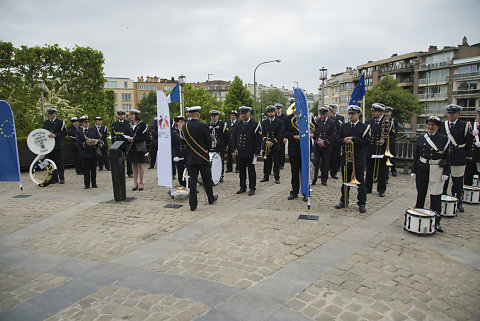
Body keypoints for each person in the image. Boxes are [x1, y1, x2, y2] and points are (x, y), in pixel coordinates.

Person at [411, 116, 450, 232]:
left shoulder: (444, 139)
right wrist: (414, 170)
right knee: (421, 193)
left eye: (433, 125)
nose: (430, 127)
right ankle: (418, 215)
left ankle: (436, 220)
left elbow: (447, 157)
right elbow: (416, 155)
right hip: (422, 167)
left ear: (437, 127)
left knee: (435, 195)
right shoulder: (422, 138)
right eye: (428, 124)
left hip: (436, 168)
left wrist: (446, 172)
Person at [180, 106, 218, 211]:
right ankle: (210, 198)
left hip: (191, 158)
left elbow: (184, 142)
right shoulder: (203, 125)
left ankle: (193, 204)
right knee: (206, 179)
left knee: (192, 181)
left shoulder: (184, 127)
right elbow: (209, 142)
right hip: (202, 157)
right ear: (198, 115)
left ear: (190, 115)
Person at [335, 105, 371, 213]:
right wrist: (344, 140)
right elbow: (338, 140)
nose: (351, 116)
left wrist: (353, 139)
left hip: (358, 159)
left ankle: (362, 203)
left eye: (353, 114)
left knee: (360, 182)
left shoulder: (364, 127)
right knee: (345, 181)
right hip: (346, 158)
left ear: (358, 115)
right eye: (350, 114)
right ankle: (344, 200)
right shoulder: (344, 126)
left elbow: (366, 142)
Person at [438, 104, 472, 213]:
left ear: (458, 114)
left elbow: (469, 143)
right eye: (449, 113)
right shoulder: (443, 125)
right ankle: (442, 199)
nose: (451, 115)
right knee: (444, 181)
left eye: (453, 113)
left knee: (457, 182)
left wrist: (467, 157)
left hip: (458, 157)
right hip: (446, 158)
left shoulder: (465, 125)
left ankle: (458, 201)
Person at [282, 102, 313, 201]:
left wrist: (311, 135)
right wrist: (294, 136)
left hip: (304, 148)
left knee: (304, 171)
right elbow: (284, 132)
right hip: (293, 148)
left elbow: (315, 129)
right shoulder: (287, 119)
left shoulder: (307, 117)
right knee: (294, 171)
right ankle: (294, 191)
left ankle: (305, 192)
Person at [232, 106, 262, 196]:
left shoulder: (255, 124)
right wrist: (233, 149)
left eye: (245, 113)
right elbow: (235, 138)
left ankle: (252, 188)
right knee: (241, 171)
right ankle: (242, 186)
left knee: (251, 171)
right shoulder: (238, 124)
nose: (243, 115)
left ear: (249, 113)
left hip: (250, 152)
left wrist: (257, 152)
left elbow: (258, 139)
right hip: (240, 151)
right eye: (242, 114)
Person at [365, 103, 392, 197]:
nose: (373, 113)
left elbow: (392, 135)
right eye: (372, 111)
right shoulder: (369, 122)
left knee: (382, 170)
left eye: (375, 111)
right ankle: (368, 188)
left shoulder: (387, 121)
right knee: (369, 170)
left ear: (380, 112)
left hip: (382, 149)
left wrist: (384, 140)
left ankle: (381, 189)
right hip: (371, 148)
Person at [312, 106, 337, 186]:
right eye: (321, 114)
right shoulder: (316, 121)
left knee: (325, 163)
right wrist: (317, 141)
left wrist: (325, 142)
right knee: (315, 163)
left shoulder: (332, 122)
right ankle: (314, 178)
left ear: (327, 114)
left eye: (324, 114)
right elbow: (314, 132)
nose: (322, 116)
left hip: (327, 146)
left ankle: (324, 179)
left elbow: (333, 134)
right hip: (317, 146)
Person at [43, 107, 67, 184]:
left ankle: (61, 177)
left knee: (59, 162)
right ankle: (53, 178)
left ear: (55, 114)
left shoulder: (60, 122)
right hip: (49, 146)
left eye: (51, 114)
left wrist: (55, 135)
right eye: (49, 114)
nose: (49, 115)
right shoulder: (46, 122)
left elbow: (64, 133)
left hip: (57, 145)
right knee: (51, 163)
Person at [76, 116, 101, 189]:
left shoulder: (93, 129)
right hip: (85, 153)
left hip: (93, 152)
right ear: (82, 123)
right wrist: (87, 144)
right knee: (86, 169)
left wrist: (96, 142)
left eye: (88, 122)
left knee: (93, 169)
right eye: (85, 122)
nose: (87, 123)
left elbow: (99, 138)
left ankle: (94, 183)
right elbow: (78, 143)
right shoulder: (79, 131)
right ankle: (86, 184)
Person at [261, 105, 283, 184]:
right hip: (267, 144)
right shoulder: (264, 122)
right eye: (269, 112)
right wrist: (266, 141)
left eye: (272, 112)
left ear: (274, 112)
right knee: (266, 161)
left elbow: (279, 134)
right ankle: (266, 176)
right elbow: (262, 133)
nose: (270, 113)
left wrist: (273, 142)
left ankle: (277, 177)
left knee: (276, 162)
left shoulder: (279, 122)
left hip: (275, 144)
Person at [127, 110, 148, 191]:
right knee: (133, 165)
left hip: (139, 147)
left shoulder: (143, 124)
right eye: (130, 115)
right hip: (131, 147)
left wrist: (135, 139)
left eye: (132, 115)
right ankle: (135, 182)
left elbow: (145, 137)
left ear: (137, 115)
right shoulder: (129, 125)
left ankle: (141, 182)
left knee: (140, 165)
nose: (131, 116)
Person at [111, 109, 133, 178]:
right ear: (117, 115)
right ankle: (119, 172)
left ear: (124, 115)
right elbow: (112, 135)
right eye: (119, 115)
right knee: (118, 159)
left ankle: (130, 172)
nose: (120, 116)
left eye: (122, 115)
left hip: (126, 142)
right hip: (118, 143)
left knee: (128, 158)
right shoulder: (114, 124)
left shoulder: (128, 123)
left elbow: (130, 133)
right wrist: (113, 144)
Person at [209, 110, 227, 182]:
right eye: (212, 116)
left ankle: (221, 175)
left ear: (218, 116)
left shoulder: (222, 124)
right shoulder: (208, 124)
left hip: (220, 146)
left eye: (215, 116)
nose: (213, 117)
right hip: (211, 146)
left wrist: (225, 146)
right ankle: (212, 175)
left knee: (220, 161)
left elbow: (226, 136)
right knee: (211, 161)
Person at [328, 104, 344, 179]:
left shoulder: (340, 118)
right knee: (326, 157)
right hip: (328, 140)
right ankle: (324, 172)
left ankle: (333, 172)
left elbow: (341, 129)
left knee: (335, 157)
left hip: (336, 140)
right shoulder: (326, 119)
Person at [465, 107, 480, 186]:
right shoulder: (471, 125)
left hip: (479, 158)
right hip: (470, 157)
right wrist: (471, 134)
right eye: (479, 115)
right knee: (467, 179)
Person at [172, 116, 187, 187]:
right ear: (177, 123)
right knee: (180, 171)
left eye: (184, 122)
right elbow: (172, 146)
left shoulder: (187, 131)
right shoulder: (174, 133)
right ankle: (182, 185)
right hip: (179, 155)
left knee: (189, 171)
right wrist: (174, 155)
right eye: (181, 122)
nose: (183, 123)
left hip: (187, 155)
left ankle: (190, 185)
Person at [384, 106, 399, 177]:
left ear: (391, 112)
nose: (387, 113)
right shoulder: (383, 120)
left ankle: (393, 170)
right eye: (386, 112)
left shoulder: (393, 120)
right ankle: (385, 173)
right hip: (385, 140)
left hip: (391, 140)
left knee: (392, 156)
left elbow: (396, 130)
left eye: (388, 112)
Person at [275, 103, 287, 169]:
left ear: (281, 109)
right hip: (276, 135)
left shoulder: (284, 117)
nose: (278, 110)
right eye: (277, 108)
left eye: (279, 108)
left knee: (282, 150)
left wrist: (285, 137)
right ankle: (277, 163)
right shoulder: (275, 116)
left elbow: (286, 127)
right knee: (276, 150)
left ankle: (282, 164)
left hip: (282, 135)